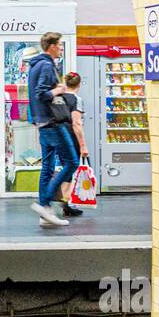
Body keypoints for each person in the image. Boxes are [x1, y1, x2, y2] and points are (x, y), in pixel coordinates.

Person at [27, 31, 76, 228]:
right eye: (60, 44)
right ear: (52, 46)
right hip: (53, 121)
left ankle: (44, 213)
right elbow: (41, 93)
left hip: (42, 121)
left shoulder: (35, 65)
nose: (62, 48)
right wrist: (58, 90)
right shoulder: (47, 64)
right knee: (71, 162)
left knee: (47, 167)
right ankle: (44, 204)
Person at [54, 71, 90, 217]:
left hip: (58, 137)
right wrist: (83, 145)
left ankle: (66, 201)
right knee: (72, 168)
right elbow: (76, 123)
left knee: (66, 168)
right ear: (79, 85)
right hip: (71, 138)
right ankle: (67, 200)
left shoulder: (58, 98)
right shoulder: (76, 100)